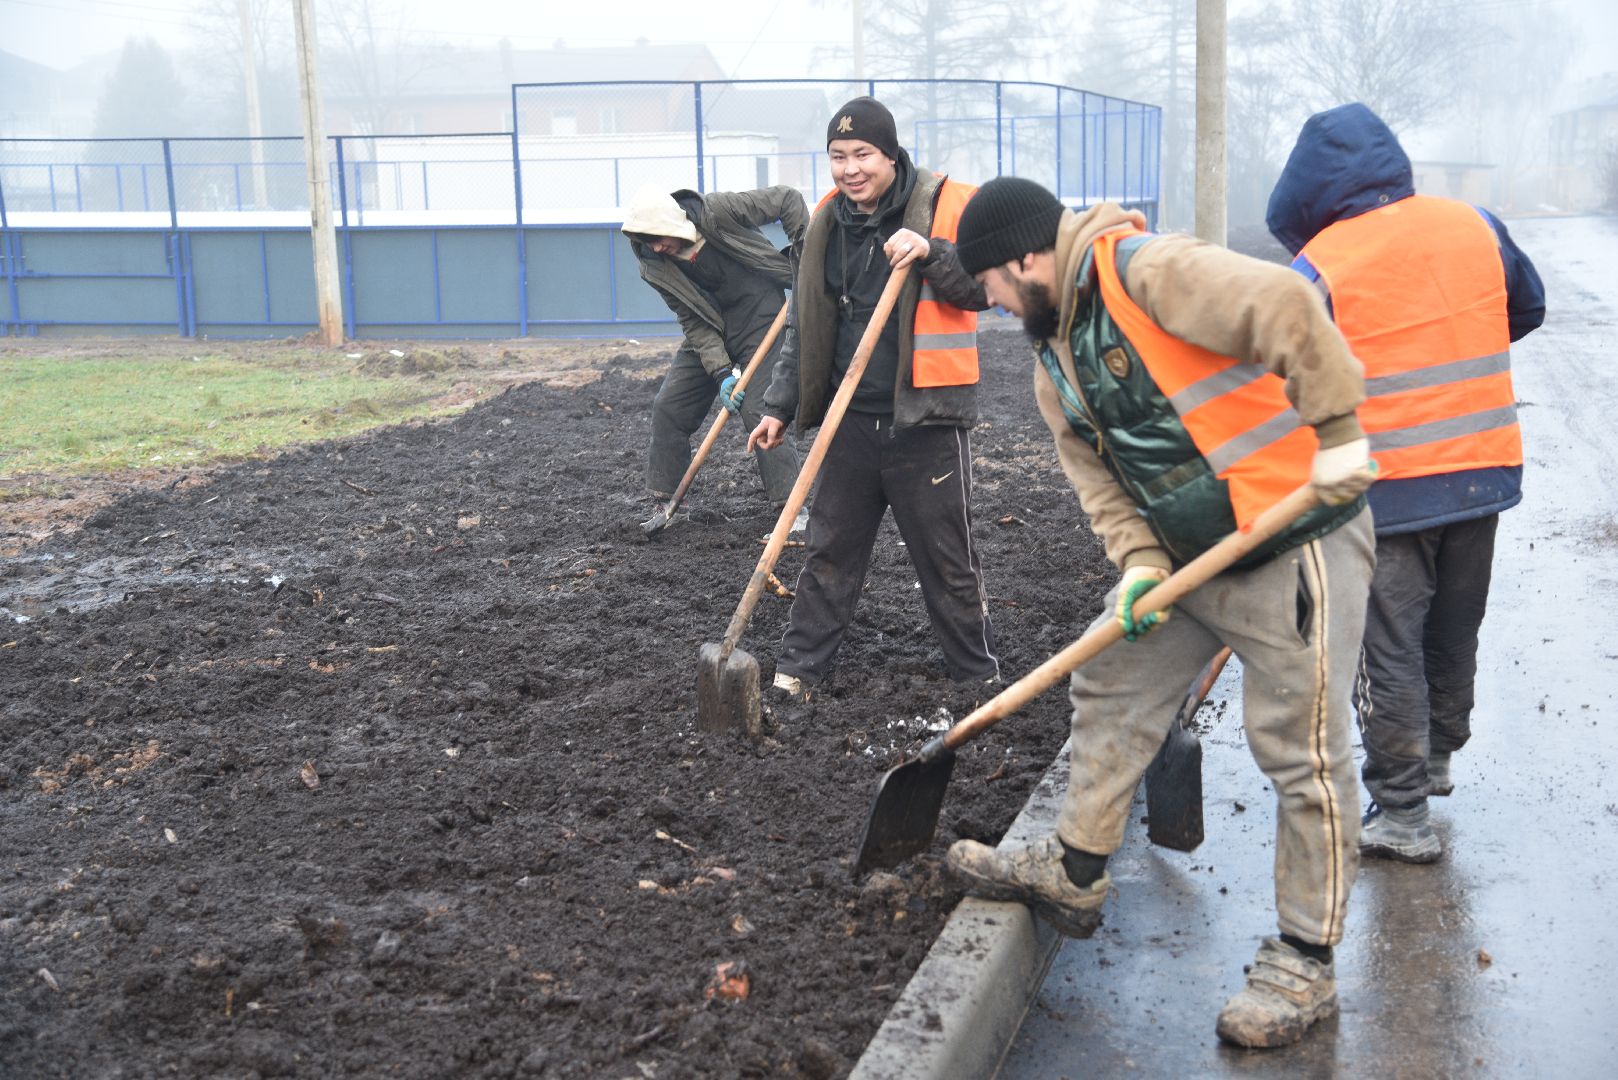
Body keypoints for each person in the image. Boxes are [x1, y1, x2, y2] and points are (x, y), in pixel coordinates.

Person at [942, 176, 1380, 1048]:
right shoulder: (1054, 354)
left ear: (1027, 258)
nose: (990, 305)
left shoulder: (1147, 272)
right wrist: (1140, 566)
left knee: (1302, 751)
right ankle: (1073, 870)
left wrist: (1338, 436)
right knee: (1110, 676)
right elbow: (1099, 485)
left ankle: (1304, 960)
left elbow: (1286, 301)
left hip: (1292, 535)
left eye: (990, 285)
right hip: (1189, 561)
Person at [1267, 103, 1546, 863]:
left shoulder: (1320, 263)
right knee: (1455, 627)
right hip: (1484, 470)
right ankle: (1440, 756)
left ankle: (1402, 813)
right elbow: (1528, 306)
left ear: (1310, 190)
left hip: (1387, 491)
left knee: (1388, 649)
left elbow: (1288, 379)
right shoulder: (1475, 224)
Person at [746, 96, 999, 697]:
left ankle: (976, 674)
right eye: (838, 156)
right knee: (829, 550)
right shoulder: (827, 222)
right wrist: (780, 405)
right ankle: (799, 671)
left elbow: (985, 288)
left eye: (863, 155)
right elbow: (805, 326)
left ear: (890, 155)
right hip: (848, 420)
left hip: (924, 422)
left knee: (947, 561)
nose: (850, 168)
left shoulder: (943, 206)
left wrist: (932, 254)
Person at [622, 185, 808, 510]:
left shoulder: (719, 211)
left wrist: (805, 254)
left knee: (759, 410)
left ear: (672, 221)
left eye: (656, 236)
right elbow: (691, 319)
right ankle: (664, 502)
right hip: (710, 326)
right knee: (669, 407)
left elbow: (787, 199)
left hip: (761, 315)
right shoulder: (654, 265)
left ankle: (791, 507)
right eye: (646, 241)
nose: (655, 246)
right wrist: (722, 372)